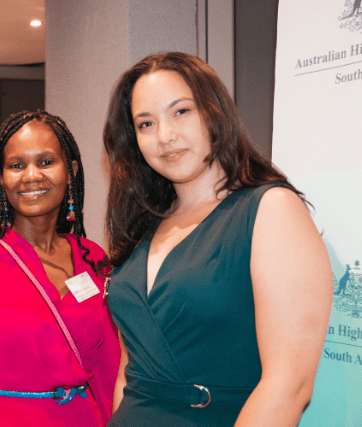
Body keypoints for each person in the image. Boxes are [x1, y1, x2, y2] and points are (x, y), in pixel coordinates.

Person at [103, 52, 333, 426]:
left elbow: (290, 385)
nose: (165, 136)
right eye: (146, 123)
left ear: (214, 112)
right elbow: (129, 373)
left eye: (181, 111)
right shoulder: (143, 224)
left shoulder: (270, 210)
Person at [0, 110, 119, 426]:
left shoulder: (93, 257)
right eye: (16, 165)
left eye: (46, 162)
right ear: (1, 178)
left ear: (71, 171)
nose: (31, 175)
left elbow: (109, 368)